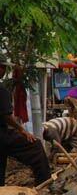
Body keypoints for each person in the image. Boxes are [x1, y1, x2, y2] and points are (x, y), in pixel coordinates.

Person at [0, 55, 51, 186]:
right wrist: (22, 130)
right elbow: (6, 116)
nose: (5, 70)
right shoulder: (2, 91)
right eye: (3, 67)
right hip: (2, 134)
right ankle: (45, 183)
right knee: (35, 146)